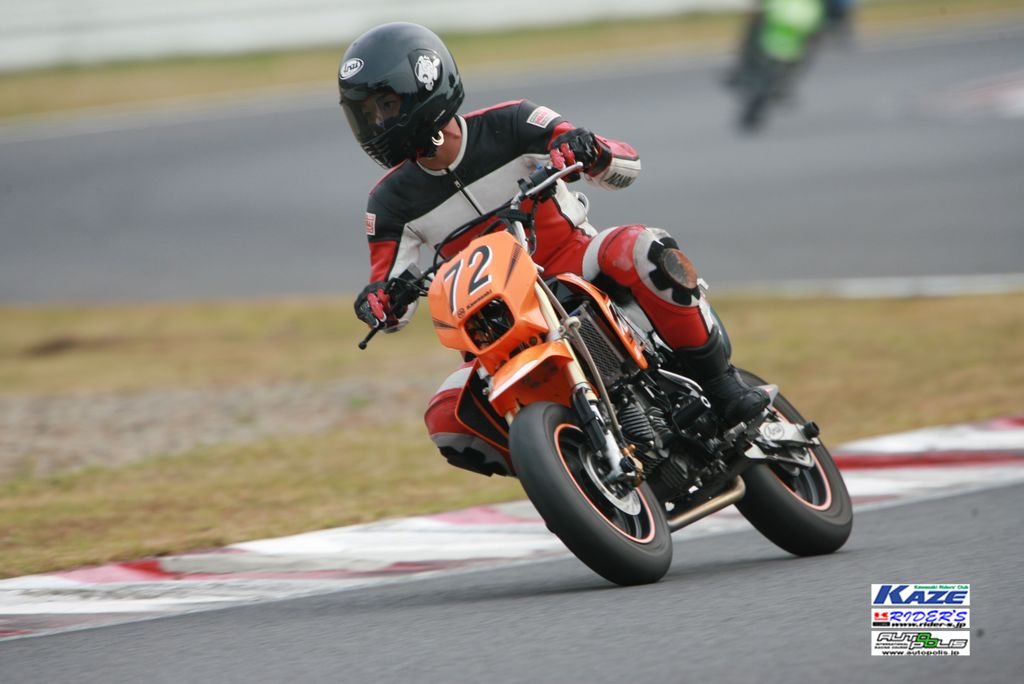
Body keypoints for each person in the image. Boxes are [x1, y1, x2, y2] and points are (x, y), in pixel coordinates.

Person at [339, 22, 768, 477]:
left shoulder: (512, 121)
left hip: (573, 265)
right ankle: (567, 467)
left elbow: (626, 166)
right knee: (446, 417)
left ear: (424, 85)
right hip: (493, 319)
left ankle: (721, 385)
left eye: (386, 106)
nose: (377, 123)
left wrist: (591, 149)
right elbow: (391, 300)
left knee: (642, 247)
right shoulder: (387, 203)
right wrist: (378, 303)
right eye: (366, 114)